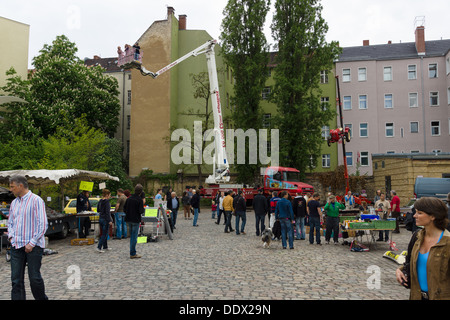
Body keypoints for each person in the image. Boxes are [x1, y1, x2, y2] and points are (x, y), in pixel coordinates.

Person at [395, 197, 450, 300]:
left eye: (419, 213)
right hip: (417, 296)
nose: (415, 216)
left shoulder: (447, 242)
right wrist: (400, 270)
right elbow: (409, 262)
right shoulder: (417, 237)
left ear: (433, 216)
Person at [8, 175, 48, 300]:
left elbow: (42, 224)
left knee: (34, 279)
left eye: (12, 187)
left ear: (20, 186)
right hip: (16, 245)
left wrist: (32, 242)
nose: (11, 190)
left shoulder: (36, 200)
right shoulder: (14, 203)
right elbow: (10, 223)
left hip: (33, 246)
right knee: (16, 280)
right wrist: (11, 237)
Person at [124, 184, 145, 259]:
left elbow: (124, 208)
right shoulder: (139, 199)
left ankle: (132, 251)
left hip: (129, 219)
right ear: (141, 192)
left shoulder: (129, 198)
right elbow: (141, 211)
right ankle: (132, 253)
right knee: (134, 236)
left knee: (131, 236)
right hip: (135, 219)